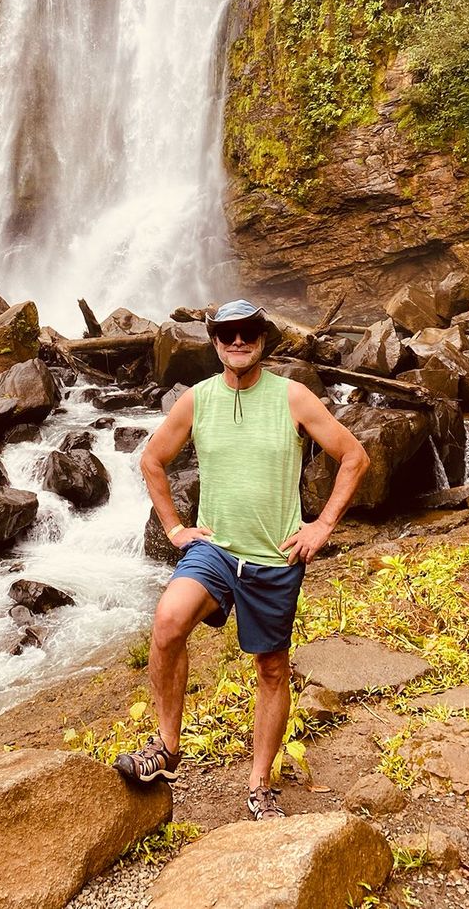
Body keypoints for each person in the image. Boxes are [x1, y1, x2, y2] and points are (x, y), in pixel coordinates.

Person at [114, 299, 369, 819]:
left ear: (262, 339)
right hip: (215, 549)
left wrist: (322, 525)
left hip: (274, 557)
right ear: (214, 342)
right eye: (227, 334)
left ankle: (260, 784)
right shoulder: (197, 400)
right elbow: (152, 459)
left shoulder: (293, 397)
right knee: (168, 622)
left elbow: (354, 456)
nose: (237, 341)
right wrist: (175, 528)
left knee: (272, 668)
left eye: (247, 332)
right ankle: (167, 748)